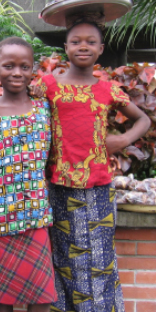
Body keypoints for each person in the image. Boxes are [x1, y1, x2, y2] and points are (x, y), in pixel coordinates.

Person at [35, 21, 151, 312]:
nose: (82, 46)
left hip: (97, 189)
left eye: (90, 42)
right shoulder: (48, 85)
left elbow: (144, 120)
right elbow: (19, 110)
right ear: (65, 49)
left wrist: (122, 138)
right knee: (62, 258)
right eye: (75, 41)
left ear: (101, 49)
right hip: (57, 188)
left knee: (98, 261)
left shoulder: (108, 89)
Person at [0, 37, 57, 312]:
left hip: (34, 214)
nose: (17, 72)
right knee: (2, 298)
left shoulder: (45, 110)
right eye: (8, 66)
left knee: (41, 296)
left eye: (24, 66)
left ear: (33, 69)